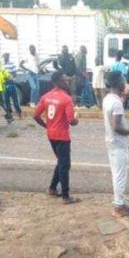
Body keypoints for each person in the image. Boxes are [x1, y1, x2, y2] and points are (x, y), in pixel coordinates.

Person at [33, 71, 80, 205]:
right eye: (64, 80)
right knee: (65, 165)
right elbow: (71, 121)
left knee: (61, 162)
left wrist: (46, 126)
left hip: (51, 134)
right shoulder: (66, 99)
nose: (67, 82)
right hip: (62, 136)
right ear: (58, 82)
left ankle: (52, 188)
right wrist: (76, 119)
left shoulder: (46, 96)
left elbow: (36, 115)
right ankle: (66, 196)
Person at [102, 72, 129, 217]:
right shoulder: (116, 103)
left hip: (111, 142)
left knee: (116, 174)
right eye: (123, 80)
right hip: (118, 143)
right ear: (118, 83)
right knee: (120, 175)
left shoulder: (108, 99)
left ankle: (120, 202)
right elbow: (117, 127)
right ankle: (118, 206)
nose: (125, 83)